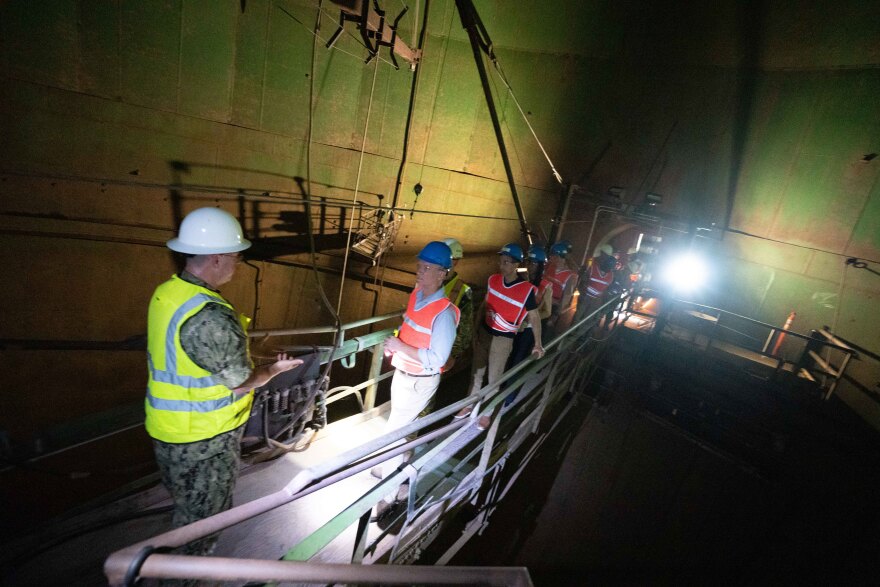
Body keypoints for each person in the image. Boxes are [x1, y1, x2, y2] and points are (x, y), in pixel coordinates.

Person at [146, 207, 303, 558]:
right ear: (216, 259)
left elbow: (193, 357)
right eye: (235, 256)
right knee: (201, 528)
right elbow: (239, 383)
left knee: (186, 511)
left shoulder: (168, 293)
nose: (238, 262)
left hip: (167, 431)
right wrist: (273, 371)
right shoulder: (212, 315)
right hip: (203, 441)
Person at [376, 241, 460, 519]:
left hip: (418, 382)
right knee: (397, 429)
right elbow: (409, 325)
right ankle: (394, 471)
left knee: (395, 433)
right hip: (402, 374)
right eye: (419, 266)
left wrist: (401, 348)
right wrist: (397, 342)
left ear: (442, 273)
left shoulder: (444, 313)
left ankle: (387, 497)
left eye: (427, 268)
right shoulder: (416, 295)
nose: (420, 272)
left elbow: (437, 359)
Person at [456, 243, 544, 430]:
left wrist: (538, 343)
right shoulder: (493, 280)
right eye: (501, 261)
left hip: (503, 339)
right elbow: (484, 304)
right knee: (476, 373)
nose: (501, 265)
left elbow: (534, 316)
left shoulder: (526, 290)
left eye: (506, 262)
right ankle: (468, 405)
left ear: (515, 265)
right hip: (485, 333)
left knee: (494, 378)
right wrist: (475, 327)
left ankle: (486, 413)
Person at [502, 244, 553, 406]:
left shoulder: (546, 286)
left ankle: (509, 397)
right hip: (514, 327)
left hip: (528, 330)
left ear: (540, 266)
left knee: (518, 359)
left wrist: (530, 319)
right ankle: (500, 387)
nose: (530, 266)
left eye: (534, 263)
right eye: (529, 262)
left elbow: (547, 311)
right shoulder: (522, 281)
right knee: (507, 357)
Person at [441, 237, 474, 371]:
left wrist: (452, 355)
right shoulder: (427, 281)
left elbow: (464, 330)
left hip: (441, 353)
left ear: (456, 261)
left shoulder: (463, 291)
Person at [574, 243, 616, 326]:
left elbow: (606, 289)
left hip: (594, 300)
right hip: (586, 297)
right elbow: (583, 278)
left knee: (585, 318)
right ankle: (571, 334)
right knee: (579, 317)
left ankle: (577, 335)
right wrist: (581, 291)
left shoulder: (609, 274)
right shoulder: (593, 265)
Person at [543, 242, 577, 335]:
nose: (550, 258)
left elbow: (566, 296)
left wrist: (555, 315)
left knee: (543, 331)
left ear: (559, 257)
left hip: (550, 308)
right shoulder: (548, 266)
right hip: (539, 302)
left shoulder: (570, 275)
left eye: (553, 256)